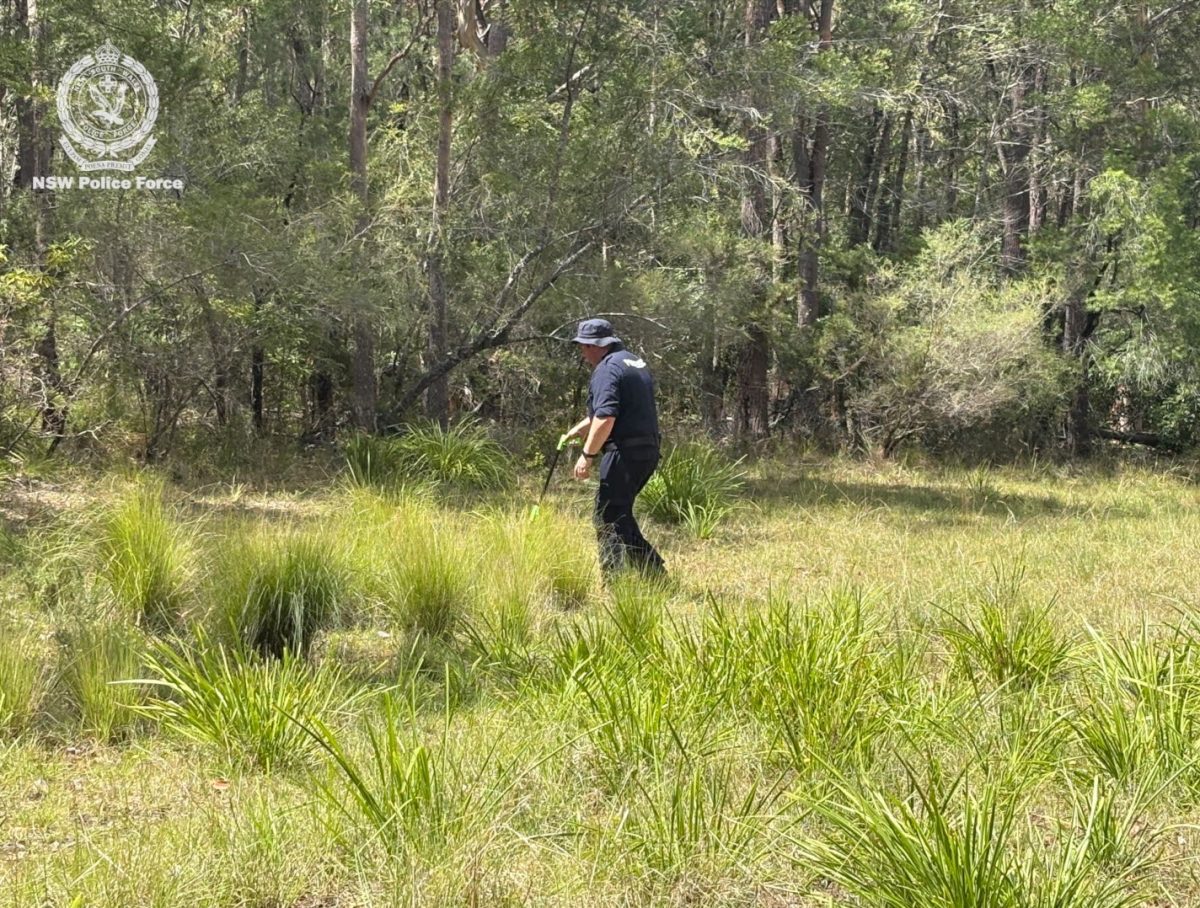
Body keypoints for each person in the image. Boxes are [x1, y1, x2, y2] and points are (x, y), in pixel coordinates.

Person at [561, 318, 666, 577]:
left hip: (624, 453)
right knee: (619, 513)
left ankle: (614, 579)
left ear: (596, 345)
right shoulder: (631, 361)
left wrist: (587, 455)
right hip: (647, 450)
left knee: (607, 516)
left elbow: (607, 417)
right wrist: (579, 429)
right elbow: (610, 411)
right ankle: (653, 572)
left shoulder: (606, 369)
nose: (583, 353)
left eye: (584, 346)